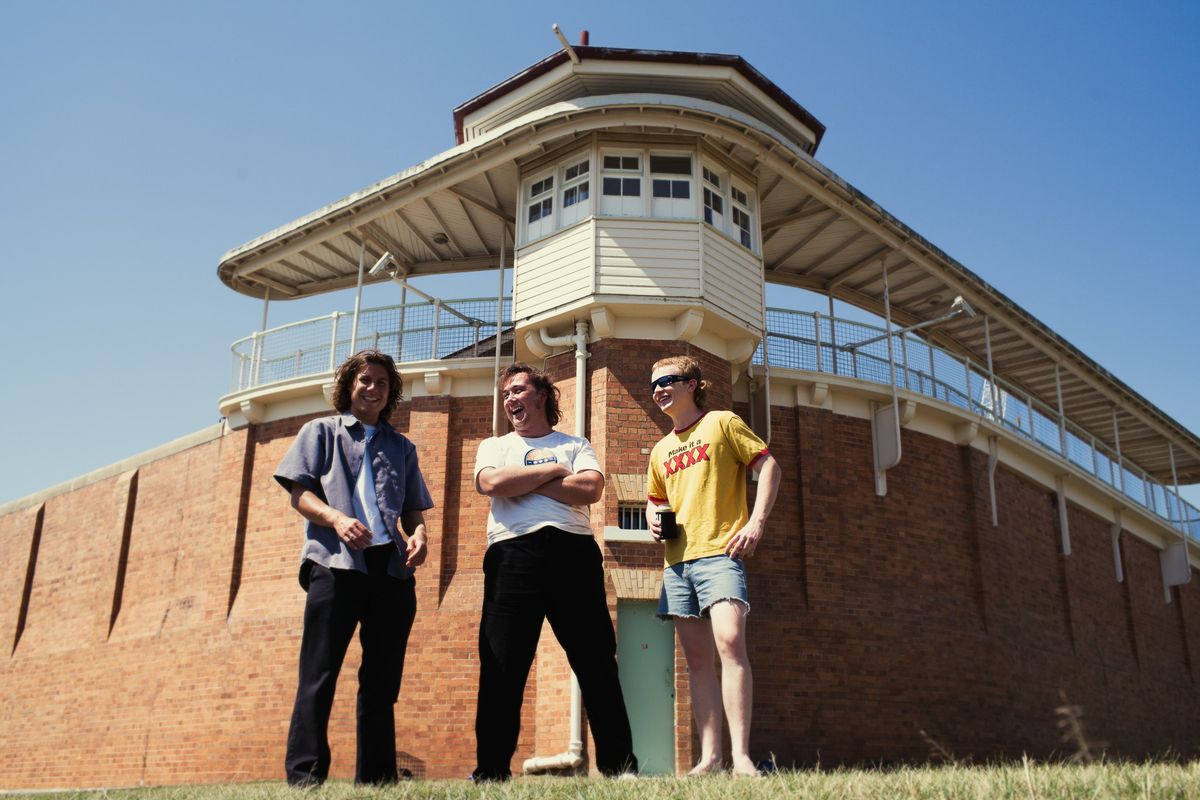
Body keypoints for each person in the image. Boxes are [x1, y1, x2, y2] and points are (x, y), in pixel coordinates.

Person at [273, 350, 433, 786]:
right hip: (335, 565)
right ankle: (305, 777)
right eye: (365, 380)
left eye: (382, 382)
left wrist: (419, 536)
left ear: (390, 392)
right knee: (318, 674)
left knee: (382, 682)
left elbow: (414, 512)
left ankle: (377, 780)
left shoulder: (402, 447)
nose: (373, 388)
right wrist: (337, 519)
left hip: (391, 572)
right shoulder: (320, 431)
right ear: (349, 385)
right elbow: (298, 494)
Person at [471, 362, 638, 781]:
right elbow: (491, 484)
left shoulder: (575, 443)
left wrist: (521, 482)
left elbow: (590, 490)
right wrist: (552, 472)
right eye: (506, 394)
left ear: (542, 395)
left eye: (518, 390)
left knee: (597, 662)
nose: (510, 400)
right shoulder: (494, 446)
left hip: (573, 554)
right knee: (502, 666)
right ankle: (491, 772)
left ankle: (620, 769)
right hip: (512, 555)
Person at [645, 355, 781, 777]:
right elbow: (656, 500)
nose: (658, 390)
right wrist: (653, 518)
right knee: (698, 662)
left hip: (721, 554)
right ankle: (711, 758)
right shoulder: (661, 449)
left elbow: (769, 465)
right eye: (653, 385)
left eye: (667, 380)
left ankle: (740, 757)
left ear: (693, 384)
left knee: (730, 641)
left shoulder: (722, 423)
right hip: (678, 564)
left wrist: (756, 524)